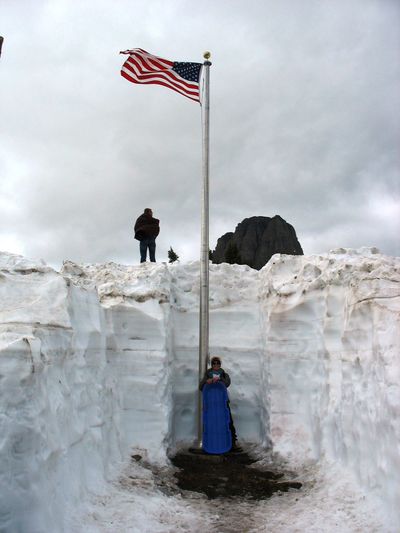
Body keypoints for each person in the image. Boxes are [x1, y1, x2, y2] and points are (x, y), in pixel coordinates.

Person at [199, 355, 240, 451]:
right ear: (212, 364)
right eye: (214, 363)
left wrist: (220, 379)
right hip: (211, 404)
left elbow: (227, 383)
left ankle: (232, 442)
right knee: (210, 423)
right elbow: (201, 387)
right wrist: (207, 381)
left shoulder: (224, 374)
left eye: (218, 363)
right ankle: (210, 442)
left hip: (222, 403)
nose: (216, 365)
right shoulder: (207, 374)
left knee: (228, 422)